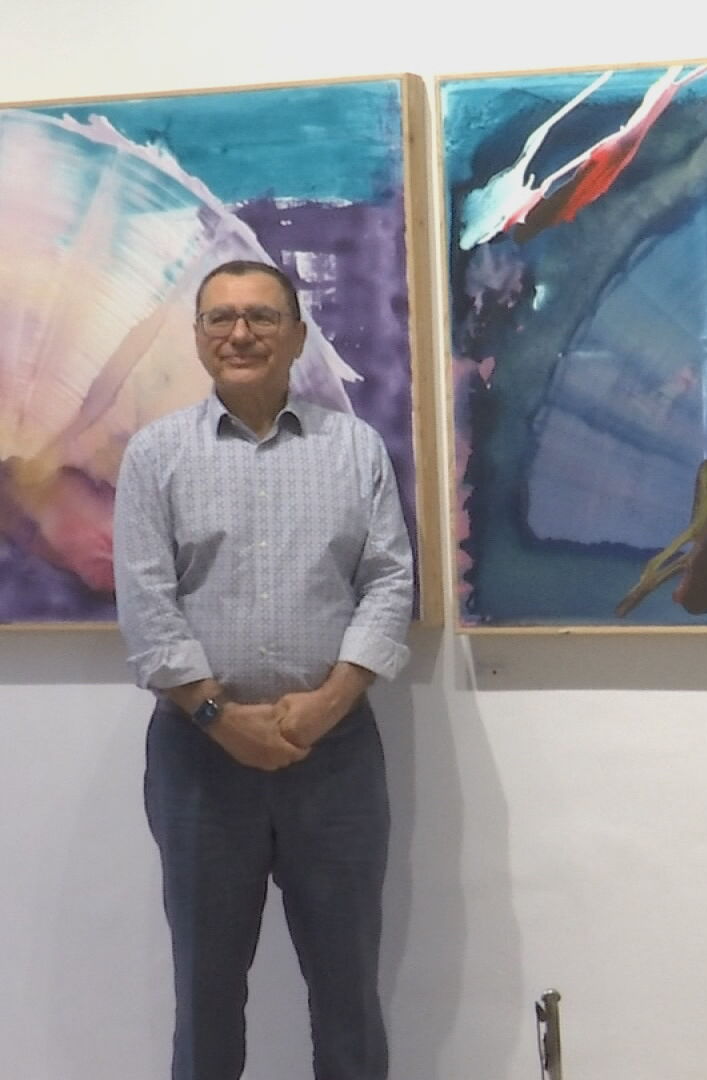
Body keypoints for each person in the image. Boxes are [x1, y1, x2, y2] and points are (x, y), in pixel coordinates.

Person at [112, 259, 413, 1080]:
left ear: (297, 335)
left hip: (335, 757)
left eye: (261, 317)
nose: (240, 334)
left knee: (348, 993)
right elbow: (146, 601)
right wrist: (218, 717)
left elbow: (390, 582)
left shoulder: (354, 449)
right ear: (198, 336)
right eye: (221, 318)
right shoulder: (156, 455)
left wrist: (330, 702)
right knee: (206, 997)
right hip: (199, 759)